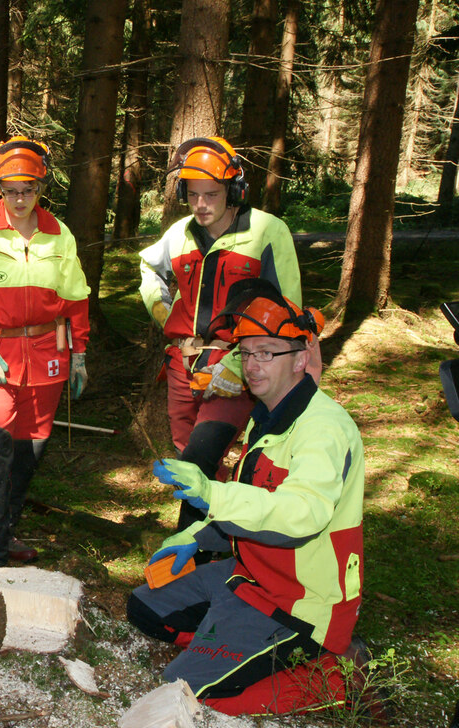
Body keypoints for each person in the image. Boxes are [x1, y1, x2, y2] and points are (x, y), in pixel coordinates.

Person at [127, 283, 367, 716]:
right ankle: (232, 647)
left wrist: (211, 494)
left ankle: (335, 674)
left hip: (301, 602)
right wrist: (199, 537)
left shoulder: (323, 428)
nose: (252, 365)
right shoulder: (267, 414)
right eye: (246, 352)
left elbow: (302, 516)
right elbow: (256, 499)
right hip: (248, 574)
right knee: (145, 607)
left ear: (299, 359)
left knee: (186, 692)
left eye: (267, 352)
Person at [137, 137, 305, 542]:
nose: (201, 204)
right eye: (192, 195)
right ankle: (222, 541)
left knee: (200, 457)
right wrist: (163, 313)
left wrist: (240, 363)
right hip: (183, 363)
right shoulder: (179, 234)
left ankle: (188, 547)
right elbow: (148, 269)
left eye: (211, 194)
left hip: (236, 367)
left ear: (233, 190)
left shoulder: (267, 231)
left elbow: (284, 310)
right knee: (187, 456)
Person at [0, 135, 90, 567]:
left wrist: (79, 352)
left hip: (47, 356)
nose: (20, 198)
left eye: (28, 189)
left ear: (41, 188)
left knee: (28, 457)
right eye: (11, 190)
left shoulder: (57, 233)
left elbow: (75, 297)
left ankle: (5, 533)